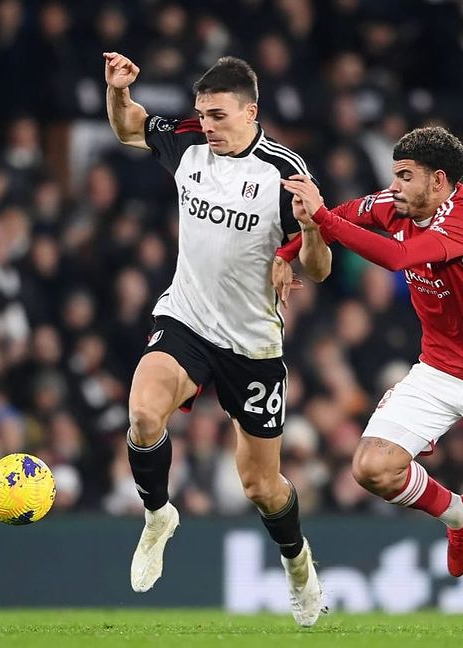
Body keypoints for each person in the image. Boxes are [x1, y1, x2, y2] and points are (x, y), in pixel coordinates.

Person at [279, 126, 463, 632]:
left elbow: (397, 258)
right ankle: (458, 516)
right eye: (394, 175)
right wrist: (287, 252)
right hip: (438, 368)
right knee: (372, 468)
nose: (393, 186)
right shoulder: (396, 203)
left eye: (404, 176)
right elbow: (343, 216)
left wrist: (324, 218)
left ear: (438, 181)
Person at [103, 51, 331, 626]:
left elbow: (321, 267)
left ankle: (298, 564)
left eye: (219, 115)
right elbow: (129, 127)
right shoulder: (187, 142)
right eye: (202, 114)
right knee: (143, 415)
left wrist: (306, 235)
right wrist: (119, 92)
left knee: (261, 485)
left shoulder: (284, 173)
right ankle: (158, 515)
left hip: (251, 346)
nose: (207, 125)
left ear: (251, 112)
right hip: (186, 319)